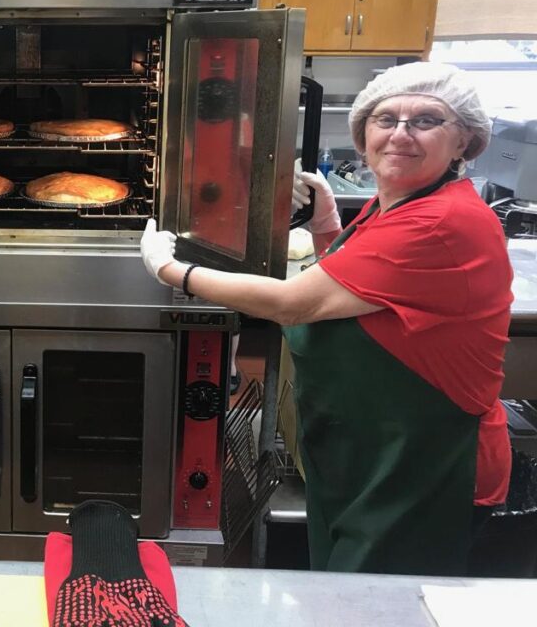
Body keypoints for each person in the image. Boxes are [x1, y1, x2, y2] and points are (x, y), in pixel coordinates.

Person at [141, 62, 512, 575]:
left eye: (426, 120)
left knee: (377, 607)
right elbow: (359, 291)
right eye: (386, 119)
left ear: (463, 141)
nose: (400, 133)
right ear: (364, 134)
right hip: (370, 456)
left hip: (426, 467)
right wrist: (327, 224)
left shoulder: (440, 221)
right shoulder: (396, 206)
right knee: (343, 593)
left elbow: (295, 303)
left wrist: (173, 271)